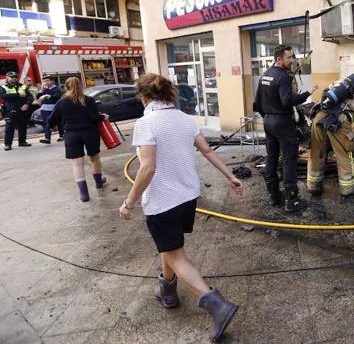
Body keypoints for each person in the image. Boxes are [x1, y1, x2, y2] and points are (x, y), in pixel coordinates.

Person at [119, 73, 243, 342]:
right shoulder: (186, 119)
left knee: (175, 254)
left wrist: (129, 202)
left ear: (145, 97)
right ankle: (168, 291)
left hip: (162, 201)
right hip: (187, 197)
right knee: (170, 247)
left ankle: (217, 305)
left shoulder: (145, 123)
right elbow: (208, 151)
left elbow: (148, 167)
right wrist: (230, 175)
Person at [253, 45, 318, 212]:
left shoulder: (265, 76)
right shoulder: (283, 77)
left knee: (272, 158)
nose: (291, 60)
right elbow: (287, 101)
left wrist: (267, 117)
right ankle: (292, 200)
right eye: (288, 58)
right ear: (278, 59)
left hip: (268, 123)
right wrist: (306, 94)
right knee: (289, 160)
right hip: (282, 122)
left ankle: (274, 197)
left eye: (292, 57)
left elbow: (257, 104)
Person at [49, 77, 108, 202]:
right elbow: (95, 117)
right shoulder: (89, 100)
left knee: (77, 164)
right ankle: (98, 183)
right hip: (90, 133)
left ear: (66, 87)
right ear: (81, 86)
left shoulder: (62, 102)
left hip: (71, 134)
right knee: (94, 158)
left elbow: (51, 119)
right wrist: (103, 117)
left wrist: (53, 126)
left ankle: (84, 194)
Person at [1, 71, 34, 151]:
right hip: (10, 110)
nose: (14, 78)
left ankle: (22, 142)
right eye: (12, 77)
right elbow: (3, 96)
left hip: (22, 110)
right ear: (7, 77)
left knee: (22, 127)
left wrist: (27, 104)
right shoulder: (3, 87)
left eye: (15, 77)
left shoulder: (22, 86)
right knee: (9, 128)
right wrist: (18, 94)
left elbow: (30, 97)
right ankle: (8, 144)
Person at [37, 75, 64, 143]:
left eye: (48, 81)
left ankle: (62, 136)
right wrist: (41, 90)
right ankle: (47, 138)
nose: (46, 82)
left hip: (54, 108)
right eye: (44, 81)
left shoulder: (57, 88)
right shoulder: (44, 89)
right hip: (44, 109)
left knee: (59, 122)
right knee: (46, 123)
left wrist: (48, 96)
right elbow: (38, 97)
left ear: (52, 81)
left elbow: (57, 96)